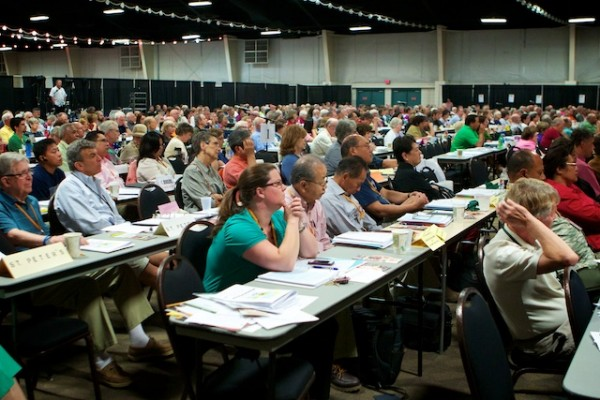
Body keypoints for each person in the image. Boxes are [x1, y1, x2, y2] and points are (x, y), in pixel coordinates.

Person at [0, 152, 172, 388]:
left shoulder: (29, 202)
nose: (30, 178)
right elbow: (12, 235)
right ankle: (101, 361)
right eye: (22, 174)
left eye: (29, 173)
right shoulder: (1, 205)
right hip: (26, 280)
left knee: (120, 268)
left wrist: (51, 242)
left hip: (53, 265)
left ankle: (139, 341)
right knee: (85, 286)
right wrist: (48, 241)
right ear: (5, 180)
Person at [203, 163, 336, 400]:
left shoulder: (275, 217)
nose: (284, 187)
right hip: (225, 307)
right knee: (318, 332)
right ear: (259, 192)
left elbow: (310, 251)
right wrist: (293, 222)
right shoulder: (239, 226)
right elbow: (284, 262)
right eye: (277, 183)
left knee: (325, 325)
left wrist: (299, 217)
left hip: (258, 298)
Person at [483, 178, 578, 362]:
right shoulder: (504, 255)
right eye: (553, 212)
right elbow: (569, 258)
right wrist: (530, 222)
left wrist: (532, 224)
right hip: (548, 340)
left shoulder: (528, 238)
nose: (557, 216)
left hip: (566, 325)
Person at [54, 140, 166, 288]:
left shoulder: (94, 182)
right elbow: (92, 226)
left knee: (162, 252)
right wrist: (125, 233)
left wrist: (131, 231)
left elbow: (115, 216)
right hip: (94, 242)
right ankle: (175, 293)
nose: (99, 158)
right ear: (79, 165)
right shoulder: (69, 188)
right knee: (138, 260)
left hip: (115, 235)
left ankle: (183, 281)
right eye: (92, 156)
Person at [507, 151, 600, 296]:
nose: (544, 177)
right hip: (573, 272)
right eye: (540, 172)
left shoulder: (538, 197)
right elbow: (565, 258)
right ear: (524, 174)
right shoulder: (522, 206)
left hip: (584, 261)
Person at [341, 134, 428, 221]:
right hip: (382, 223)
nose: (371, 150)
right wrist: (412, 206)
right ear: (353, 150)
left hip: (391, 213)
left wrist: (409, 195)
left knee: (416, 198)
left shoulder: (364, 172)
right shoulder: (353, 178)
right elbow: (380, 211)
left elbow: (386, 193)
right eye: (367, 146)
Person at [543, 144, 600, 251]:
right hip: (589, 244)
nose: (577, 168)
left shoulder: (568, 185)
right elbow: (594, 216)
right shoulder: (559, 195)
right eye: (573, 164)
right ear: (559, 169)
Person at [321, 156, 380, 236]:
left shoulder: (344, 189)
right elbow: (351, 233)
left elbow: (366, 220)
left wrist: (381, 233)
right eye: (358, 184)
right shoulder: (328, 198)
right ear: (345, 177)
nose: (359, 189)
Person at [181, 131, 225, 212]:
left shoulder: (211, 169)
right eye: (215, 144)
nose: (219, 149)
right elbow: (209, 204)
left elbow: (226, 193)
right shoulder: (192, 171)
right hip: (200, 221)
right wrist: (218, 198)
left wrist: (220, 197)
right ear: (203, 145)